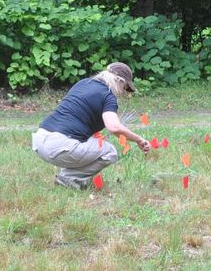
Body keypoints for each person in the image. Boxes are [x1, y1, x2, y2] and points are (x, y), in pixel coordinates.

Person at [32, 62, 151, 190]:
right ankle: (67, 178)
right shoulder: (108, 95)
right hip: (59, 146)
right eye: (125, 87)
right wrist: (139, 139)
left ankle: (67, 177)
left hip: (39, 141)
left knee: (94, 142)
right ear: (119, 81)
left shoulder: (83, 83)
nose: (123, 92)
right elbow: (114, 127)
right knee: (109, 152)